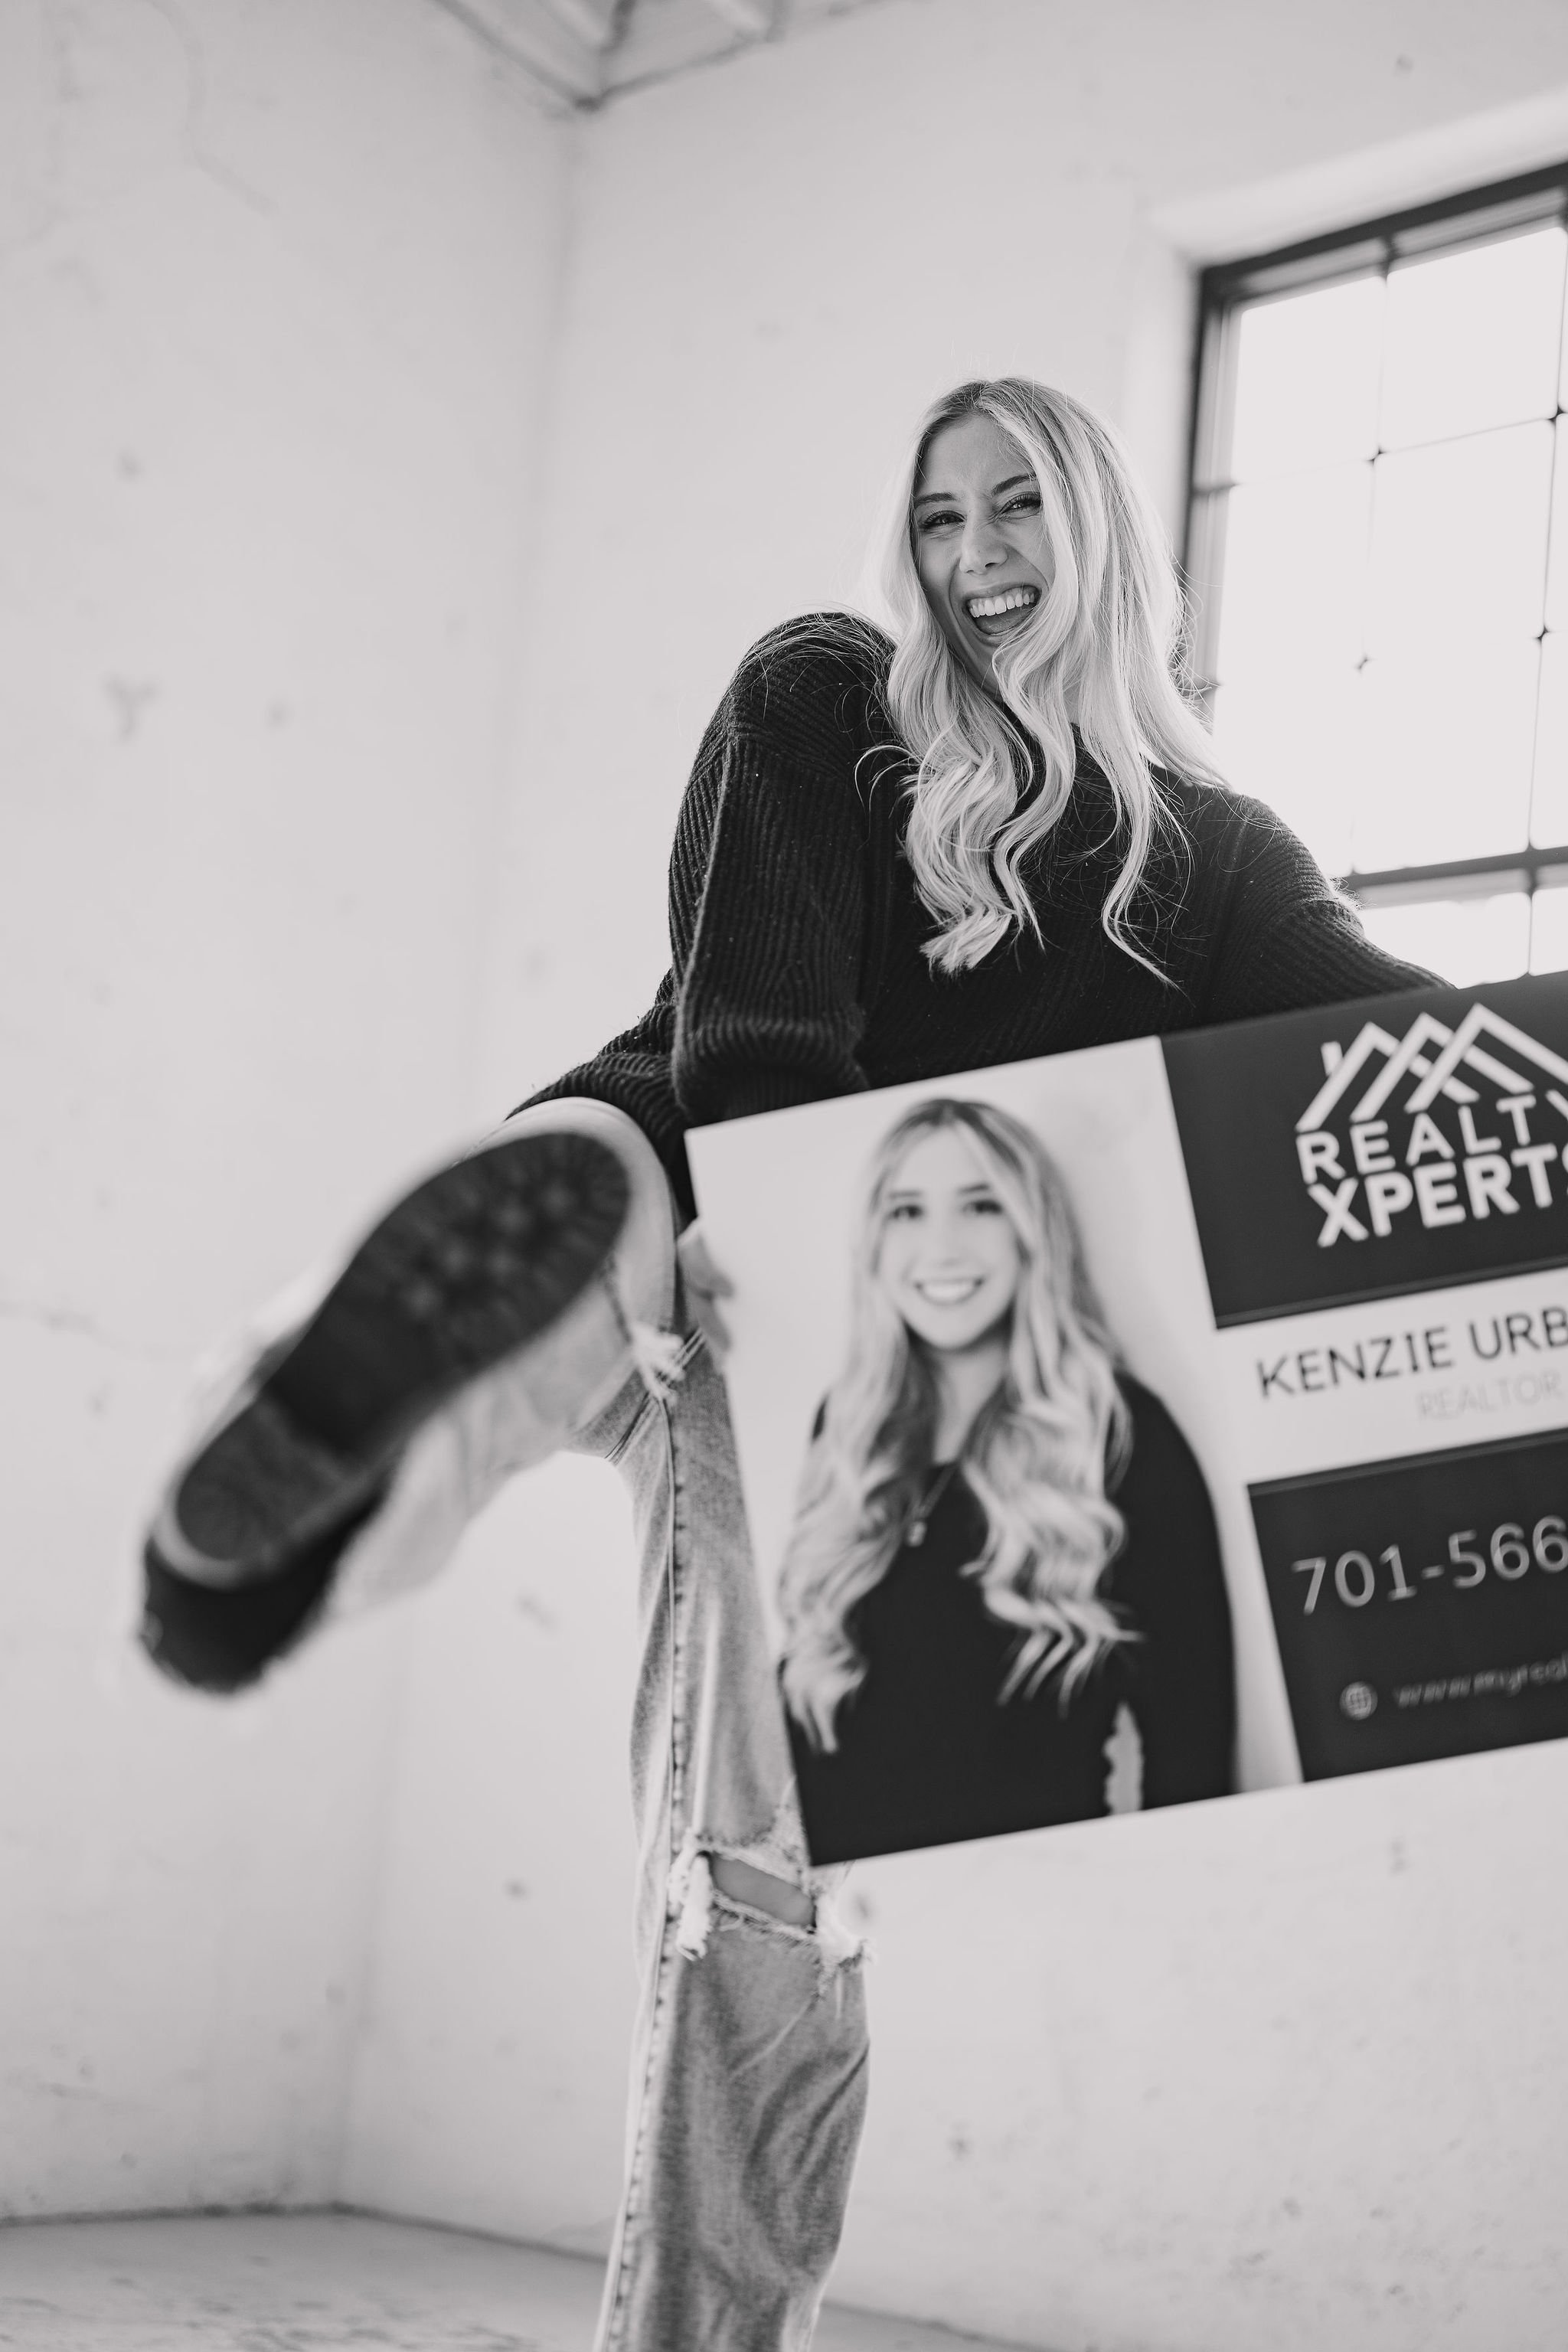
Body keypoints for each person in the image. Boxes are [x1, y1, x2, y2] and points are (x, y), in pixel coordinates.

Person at [141, 377, 1436, 2352]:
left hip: (865, 1355)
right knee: (569, 1199)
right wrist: (753, 1199)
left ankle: (694, 2332)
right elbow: (746, 1016)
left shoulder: (1218, 861)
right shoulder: (830, 691)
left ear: (1109, 540)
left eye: (1018, 507)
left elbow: (1396, 1053)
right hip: (681, 1216)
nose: (978, 551)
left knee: (762, 1865)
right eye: (938, 515)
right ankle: (294, 1482)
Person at [779, 1096, 1232, 1864]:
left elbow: (1190, 1758)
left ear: (1032, 1232)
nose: (942, 1248)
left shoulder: (1119, 1434)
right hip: (847, 1933)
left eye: (980, 1205)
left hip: (1038, 1928)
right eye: (905, 1212)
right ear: (872, 1244)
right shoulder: (848, 1426)